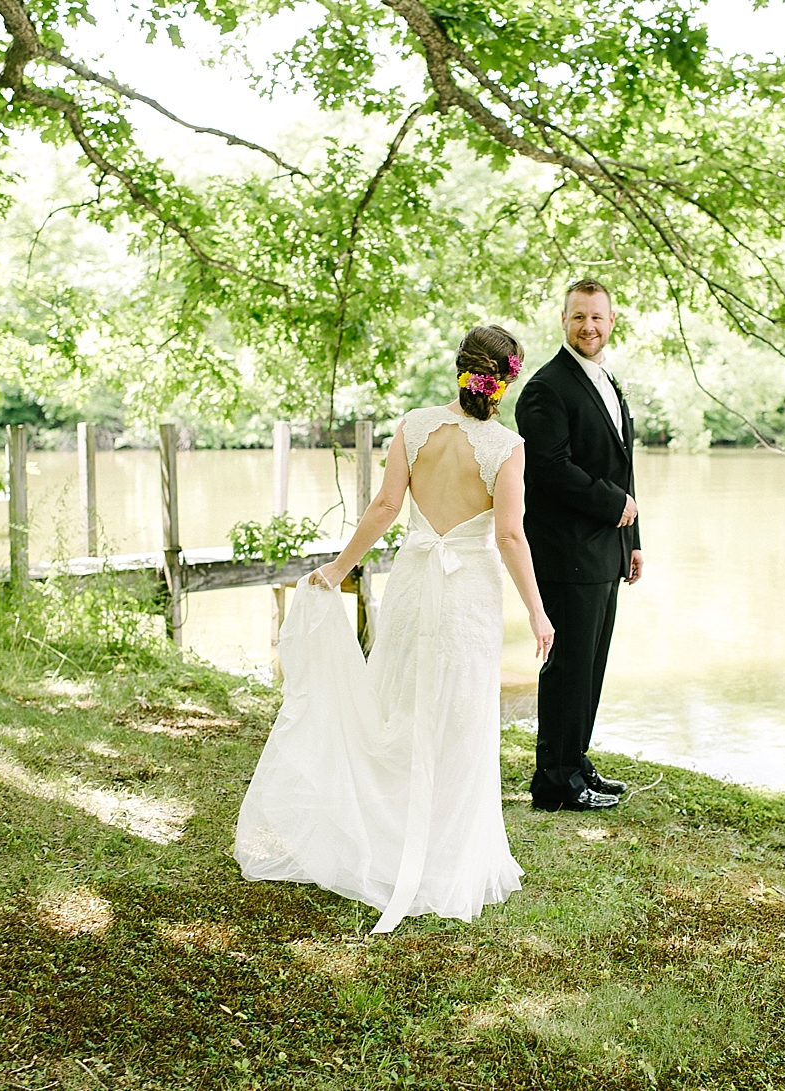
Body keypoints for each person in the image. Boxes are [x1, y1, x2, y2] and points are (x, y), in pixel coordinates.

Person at [234, 325, 554, 934]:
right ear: (507, 379)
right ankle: (444, 852)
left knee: (399, 702)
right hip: (468, 593)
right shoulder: (507, 447)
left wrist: (337, 569)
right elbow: (511, 536)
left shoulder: (413, 425)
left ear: (459, 370)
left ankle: (383, 836)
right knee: (460, 714)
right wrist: (538, 612)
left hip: (412, 585)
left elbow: (384, 509)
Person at [516, 278, 642, 812]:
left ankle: (575, 761)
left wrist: (632, 540)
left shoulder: (606, 380)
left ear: (612, 321)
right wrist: (612, 505)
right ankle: (555, 781)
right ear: (563, 322)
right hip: (567, 551)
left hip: (604, 551)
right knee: (568, 666)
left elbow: (621, 468)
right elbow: (548, 471)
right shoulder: (547, 388)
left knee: (590, 664)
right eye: (578, 317)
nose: (588, 326)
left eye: (597, 317)